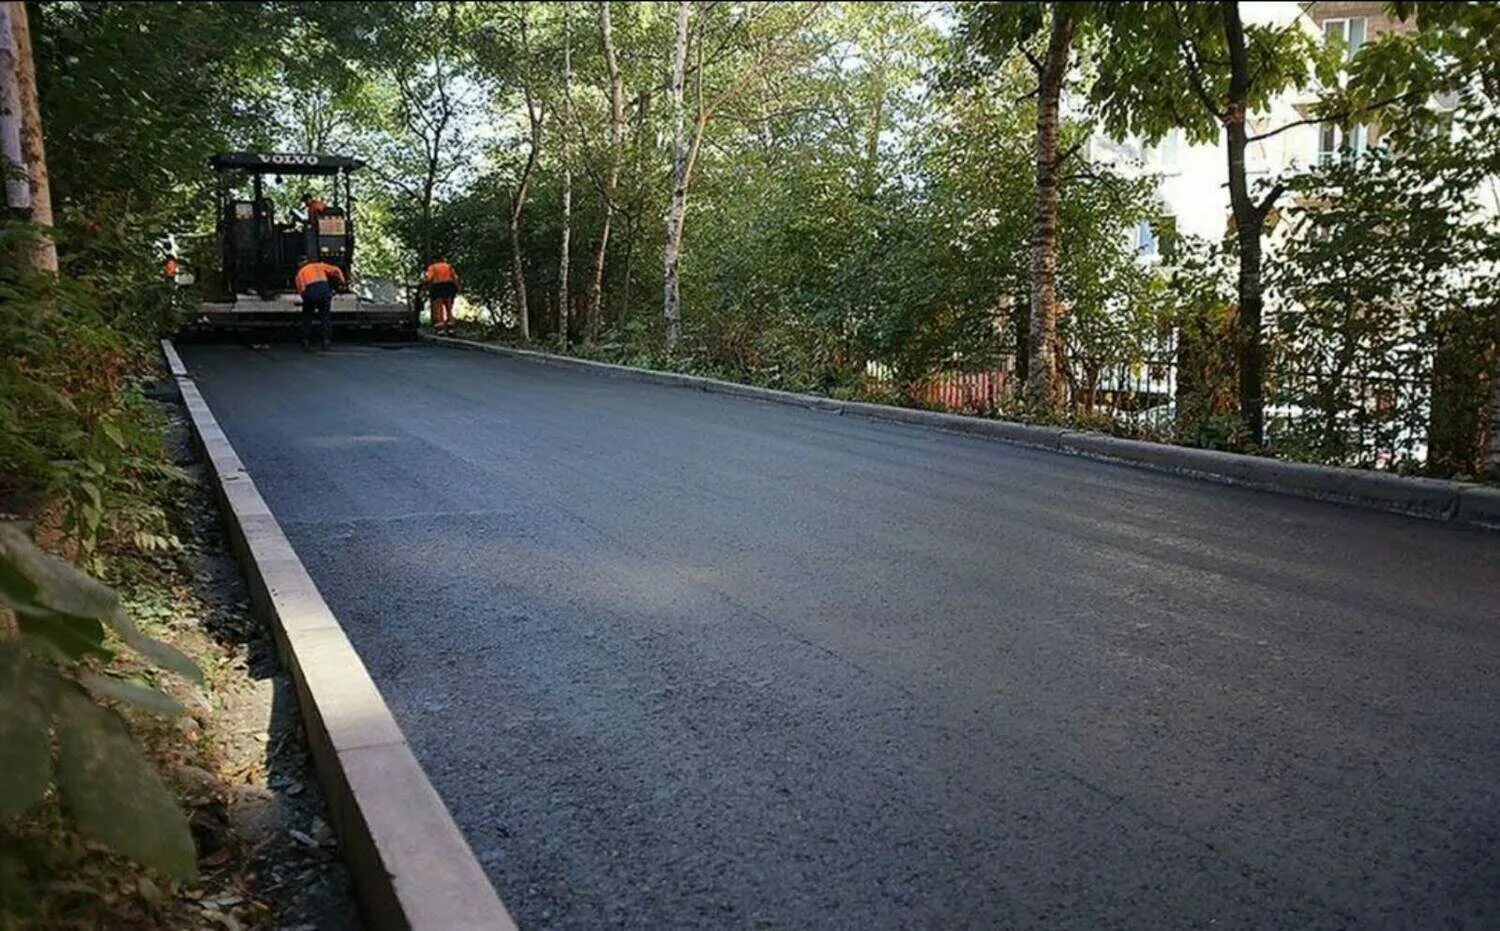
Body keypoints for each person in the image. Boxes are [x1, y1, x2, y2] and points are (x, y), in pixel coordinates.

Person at [294, 257, 347, 351]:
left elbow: (301, 290)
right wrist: (342, 282)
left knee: (307, 317)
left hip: (310, 293)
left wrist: (306, 300)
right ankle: (326, 342)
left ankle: (305, 341)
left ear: (299, 264)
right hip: (324, 292)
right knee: (325, 317)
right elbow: (336, 269)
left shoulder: (300, 273)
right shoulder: (319, 265)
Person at [421, 256, 461, 332]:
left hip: (437, 286)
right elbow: (455, 277)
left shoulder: (432, 267)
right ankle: (450, 327)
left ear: (434, 260)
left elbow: (429, 278)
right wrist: (457, 287)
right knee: (449, 307)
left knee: (438, 308)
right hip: (449, 286)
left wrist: (424, 285)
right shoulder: (448, 266)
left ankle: (440, 328)